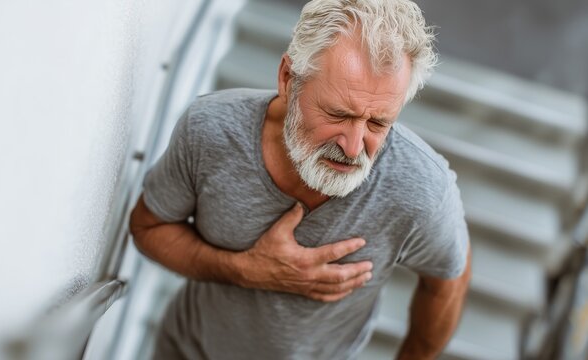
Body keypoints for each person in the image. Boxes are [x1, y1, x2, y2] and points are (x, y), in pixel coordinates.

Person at [129, 0, 471, 359]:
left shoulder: (422, 188)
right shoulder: (210, 129)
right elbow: (148, 228)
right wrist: (246, 270)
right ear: (288, 79)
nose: (354, 148)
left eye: (378, 123)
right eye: (338, 114)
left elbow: (450, 275)